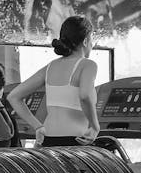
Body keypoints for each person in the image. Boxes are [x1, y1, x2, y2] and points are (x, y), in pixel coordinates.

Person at [8, 15, 99, 147]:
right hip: (76, 141)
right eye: (91, 40)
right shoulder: (88, 65)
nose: (92, 45)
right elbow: (84, 96)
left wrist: (38, 127)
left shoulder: (50, 67)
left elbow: (13, 96)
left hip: (48, 141)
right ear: (85, 41)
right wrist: (95, 127)